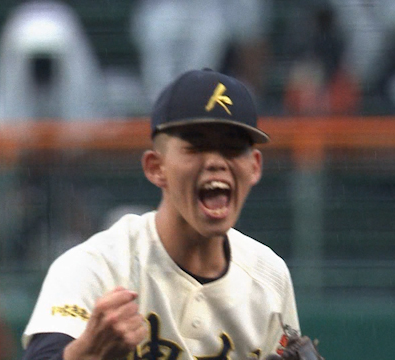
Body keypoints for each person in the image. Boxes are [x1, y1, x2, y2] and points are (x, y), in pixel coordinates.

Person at [20, 69, 309, 360]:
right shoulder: (95, 267)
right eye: (196, 147)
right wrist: (85, 354)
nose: (216, 162)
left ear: (255, 167)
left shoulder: (270, 277)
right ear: (156, 167)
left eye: (233, 149)